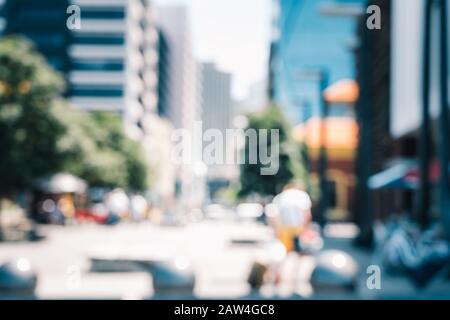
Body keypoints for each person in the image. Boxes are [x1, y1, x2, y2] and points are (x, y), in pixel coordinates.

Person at [269, 183, 312, 253]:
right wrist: (306, 228)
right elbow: (307, 214)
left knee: (286, 251)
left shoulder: (280, 196)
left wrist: (275, 231)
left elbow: (273, 215)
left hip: (283, 228)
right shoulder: (302, 195)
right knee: (299, 251)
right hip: (298, 227)